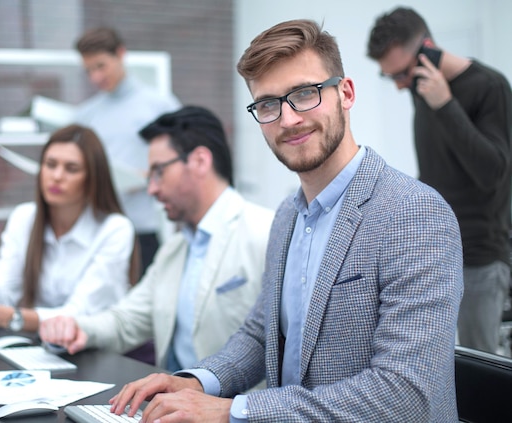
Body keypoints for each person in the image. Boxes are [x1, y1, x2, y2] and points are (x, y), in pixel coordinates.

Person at [104, 19, 464, 422]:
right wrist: (196, 382)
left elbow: (404, 393)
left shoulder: (414, 214)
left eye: (305, 94)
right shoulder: (288, 216)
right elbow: (262, 335)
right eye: (269, 104)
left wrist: (231, 411)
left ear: (345, 93)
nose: (288, 119)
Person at [39, 106, 275, 371]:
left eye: (158, 172)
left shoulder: (266, 234)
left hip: (233, 407)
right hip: (173, 402)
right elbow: (126, 321)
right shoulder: (174, 250)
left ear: (199, 161)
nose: (151, 189)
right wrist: (76, 328)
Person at [367, 7, 512, 354]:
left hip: (480, 257)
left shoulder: (489, 87)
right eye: (391, 77)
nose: (401, 85)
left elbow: (493, 173)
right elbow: (435, 172)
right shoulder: (421, 91)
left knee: (483, 372)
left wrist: (445, 104)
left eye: (402, 73)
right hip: (436, 253)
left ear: (428, 48)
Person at [0, 124, 139, 337]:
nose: (57, 176)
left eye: (71, 169)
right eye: (50, 165)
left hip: (96, 348)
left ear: (92, 178)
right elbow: (0, 304)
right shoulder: (25, 217)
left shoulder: (115, 229)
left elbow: (77, 314)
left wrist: (8, 316)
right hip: (42, 347)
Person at [74, 27, 182, 273]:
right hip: (98, 229)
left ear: (121, 54)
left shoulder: (158, 106)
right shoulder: (86, 115)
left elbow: (182, 157)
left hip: (144, 230)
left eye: (101, 66)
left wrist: (151, 175)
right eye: (89, 70)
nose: (95, 77)